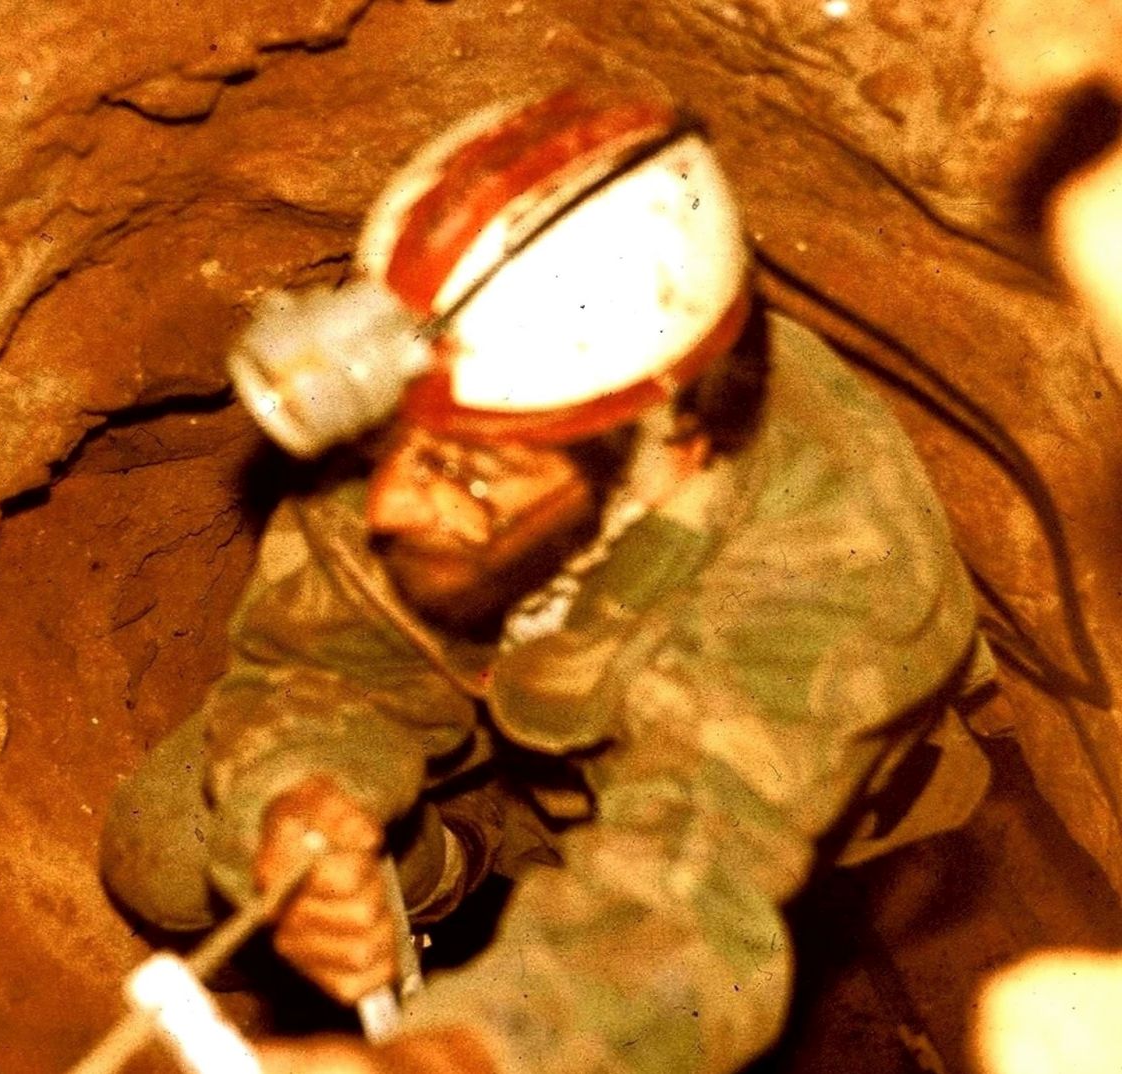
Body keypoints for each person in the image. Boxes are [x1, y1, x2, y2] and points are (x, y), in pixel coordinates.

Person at [100, 87, 992, 1074]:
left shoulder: (833, 563)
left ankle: (508, 888)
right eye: (391, 446)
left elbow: (684, 900)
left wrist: (461, 1057)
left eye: (469, 474)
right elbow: (321, 654)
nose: (389, 506)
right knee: (168, 849)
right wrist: (303, 792)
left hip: (714, 779)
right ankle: (457, 864)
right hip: (515, 707)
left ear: (670, 452)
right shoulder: (462, 398)